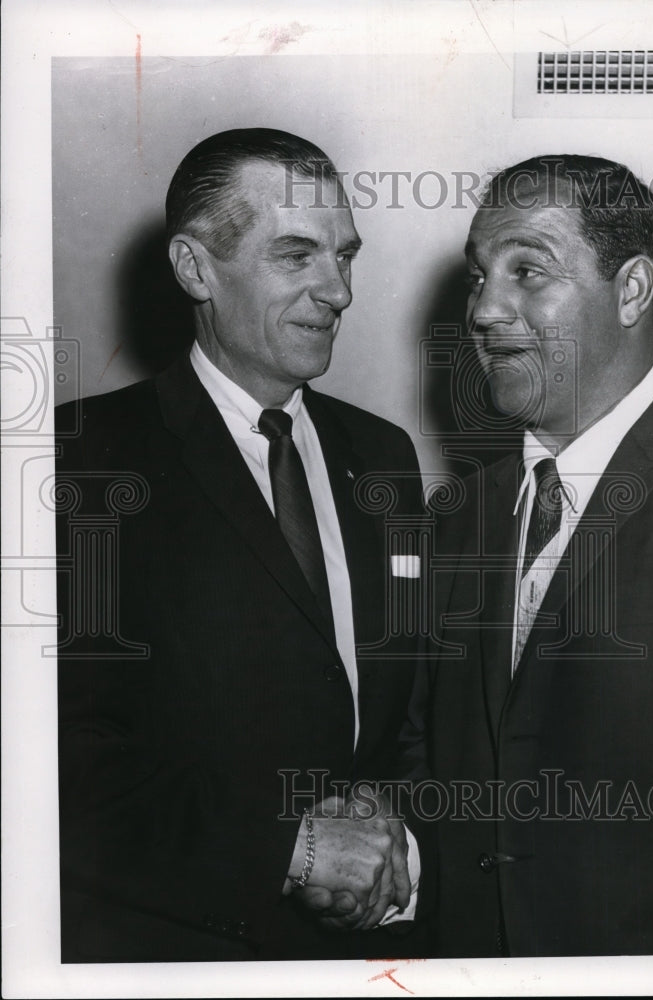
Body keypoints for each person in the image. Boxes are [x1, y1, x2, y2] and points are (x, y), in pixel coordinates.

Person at [55, 128, 429, 962]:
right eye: (296, 255)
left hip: (370, 951)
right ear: (194, 269)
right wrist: (287, 851)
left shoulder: (385, 457)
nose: (338, 290)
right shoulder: (78, 460)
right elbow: (53, 762)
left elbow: (410, 707)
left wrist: (391, 840)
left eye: (345, 255)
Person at [423, 154, 653, 956]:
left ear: (633, 290)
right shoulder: (455, 517)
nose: (483, 309)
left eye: (527, 271)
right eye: (478, 277)